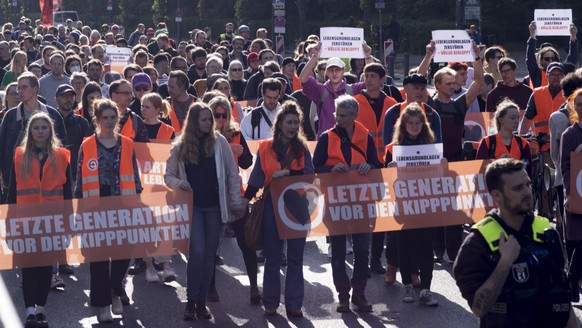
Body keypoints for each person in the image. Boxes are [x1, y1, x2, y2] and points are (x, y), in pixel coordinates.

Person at [454, 158, 577, 328]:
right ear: (497, 195)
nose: (527, 192)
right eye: (518, 188)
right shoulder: (477, 243)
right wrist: (504, 264)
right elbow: (478, 308)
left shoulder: (546, 231)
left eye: (528, 184)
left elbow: (561, 294)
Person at [164, 102, 243, 320]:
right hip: (193, 208)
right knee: (196, 253)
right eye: (205, 119)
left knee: (209, 255)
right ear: (194, 121)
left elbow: (231, 175)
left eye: (211, 119)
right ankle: (190, 301)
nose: (210, 123)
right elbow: (168, 176)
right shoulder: (180, 146)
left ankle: (201, 302)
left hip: (215, 208)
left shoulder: (221, 143)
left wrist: (236, 202)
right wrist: (180, 183)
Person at [242, 101, 314, 318]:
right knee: (272, 258)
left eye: (296, 122)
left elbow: (310, 175)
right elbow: (255, 179)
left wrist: (288, 175)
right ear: (279, 123)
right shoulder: (265, 147)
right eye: (288, 122)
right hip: (271, 207)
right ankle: (270, 303)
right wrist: (244, 202)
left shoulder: (302, 149)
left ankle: (294, 304)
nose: (292, 126)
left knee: (295, 259)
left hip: (297, 209)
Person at [74, 99, 142, 322]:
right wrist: (79, 212)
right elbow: (80, 181)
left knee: (123, 253)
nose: (110, 121)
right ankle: (102, 304)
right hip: (96, 206)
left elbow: (134, 175)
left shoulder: (127, 143)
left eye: (114, 117)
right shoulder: (87, 145)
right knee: (99, 258)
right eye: (106, 118)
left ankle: (115, 290)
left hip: (123, 204)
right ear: (97, 119)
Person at [313, 95, 380, 312]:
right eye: (337, 114)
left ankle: (359, 294)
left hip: (362, 202)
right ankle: (343, 295)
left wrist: (368, 166)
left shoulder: (366, 136)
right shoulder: (326, 138)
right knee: (338, 252)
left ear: (354, 116)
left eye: (343, 116)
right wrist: (330, 169)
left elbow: (377, 165)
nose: (338, 119)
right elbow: (314, 170)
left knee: (362, 252)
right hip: (336, 203)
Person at [418, 40, 483, 264]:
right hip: (431, 163)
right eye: (448, 83)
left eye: (454, 83)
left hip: (455, 161)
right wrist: (428, 55)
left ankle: (455, 255)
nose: (453, 86)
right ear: (436, 85)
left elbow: (479, 82)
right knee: (435, 208)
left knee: (455, 210)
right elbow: (418, 80)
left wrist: (476, 56)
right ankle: (437, 249)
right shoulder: (429, 105)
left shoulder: (459, 105)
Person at [7, 112, 72, 328]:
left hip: (52, 222)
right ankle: (29, 312)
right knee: (28, 266)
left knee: (45, 267)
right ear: (30, 131)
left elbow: (68, 192)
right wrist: (9, 225)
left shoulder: (62, 156)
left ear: (50, 130)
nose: (41, 131)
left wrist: (68, 224)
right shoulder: (19, 156)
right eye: (37, 128)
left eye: (45, 127)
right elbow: (12, 193)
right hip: (26, 221)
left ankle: (41, 310)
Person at [384, 103, 441, 306]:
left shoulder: (432, 148)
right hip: (404, 205)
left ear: (424, 125)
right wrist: (390, 169)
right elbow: (385, 181)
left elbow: (440, 178)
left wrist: (443, 166)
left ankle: (426, 290)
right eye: (411, 123)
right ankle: (407, 286)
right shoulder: (393, 149)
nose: (415, 126)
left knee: (426, 248)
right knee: (404, 247)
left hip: (427, 205)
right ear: (404, 125)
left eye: (418, 123)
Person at [207, 95, 261, 304]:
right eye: (216, 115)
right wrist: (228, 149)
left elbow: (247, 163)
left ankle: (254, 287)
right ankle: (211, 289)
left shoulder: (236, 133)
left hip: (235, 195)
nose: (220, 119)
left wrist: (243, 154)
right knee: (212, 245)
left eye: (224, 115)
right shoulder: (203, 136)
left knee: (246, 242)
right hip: (212, 197)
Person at [0, 73, 68, 204]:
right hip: (15, 181)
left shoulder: (53, 115)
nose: (19, 91)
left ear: (35, 89)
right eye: (19, 88)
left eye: (24, 87)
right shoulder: (10, 116)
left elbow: (63, 148)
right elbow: (1, 145)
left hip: (49, 182)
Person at [299, 42, 373, 137]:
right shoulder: (320, 90)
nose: (334, 73)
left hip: (348, 140)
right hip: (326, 142)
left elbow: (372, 82)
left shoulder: (352, 90)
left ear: (343, 71)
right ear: (326, 72)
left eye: (337, 70)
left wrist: (367, 56)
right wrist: (314, 57)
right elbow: (303, 78)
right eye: (331, 70)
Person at [560, 88, 582, 304]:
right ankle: (572, 282)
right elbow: (564, 167)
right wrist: (569, 193)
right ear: (574, 107)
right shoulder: (569, 135)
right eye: (580, 104)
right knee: (576, 243)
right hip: (576, 195)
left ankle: (572, 281)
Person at [475, 99, 532, 177]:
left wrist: (513, 163)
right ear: (501, 120)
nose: (516, 121)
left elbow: (528, 173)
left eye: (518, 117)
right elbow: (479, 172)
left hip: (516, 186)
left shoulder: (523, 143)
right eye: (512, 118)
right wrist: (498, 163)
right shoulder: (487, 142)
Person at [526, 21, 578, 88]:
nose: (550, 61)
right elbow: (530, 58)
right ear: (540, 60)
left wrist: (573, 37)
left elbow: (572, 59)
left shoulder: (563, 70)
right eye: (547, 59)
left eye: (553, 58)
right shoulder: (536, 73)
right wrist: (532, 35)